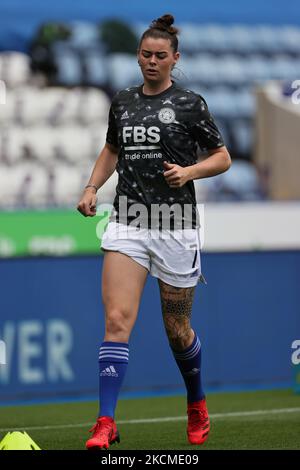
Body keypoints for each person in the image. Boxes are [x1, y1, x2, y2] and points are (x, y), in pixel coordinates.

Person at [77, 13, 231, 450]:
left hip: (175, 226)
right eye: (145, 54)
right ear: (138, 56)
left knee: (176, 330)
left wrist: (190, 171)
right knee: (116, 321)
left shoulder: (190, 104)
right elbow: (111, 147)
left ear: (174, 59)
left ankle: (196, 401)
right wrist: (91, 187)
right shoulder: (123, 101)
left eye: (159, 56)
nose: (151, 61)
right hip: (127, 219)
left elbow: (222, 158)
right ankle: (105, 422)